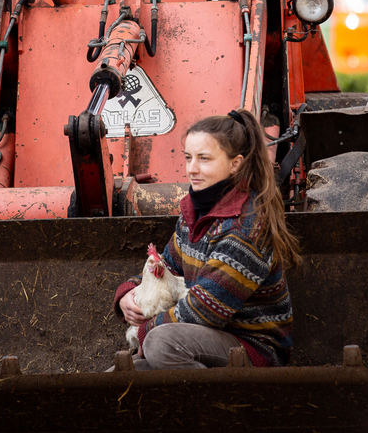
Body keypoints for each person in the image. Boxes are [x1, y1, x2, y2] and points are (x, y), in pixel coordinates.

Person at [113, 109, 302, 370]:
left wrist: (145, 330)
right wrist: (128, 295)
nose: (192, 169)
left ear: (235, 163)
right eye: (188, 158)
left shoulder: (246, 226)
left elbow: (205, 310)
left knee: (161, 344)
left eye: (204, 159)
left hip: (251, 347)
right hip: (197, 337)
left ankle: (216, 408)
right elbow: (168, 266)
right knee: (118, 376)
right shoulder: (195, 211)